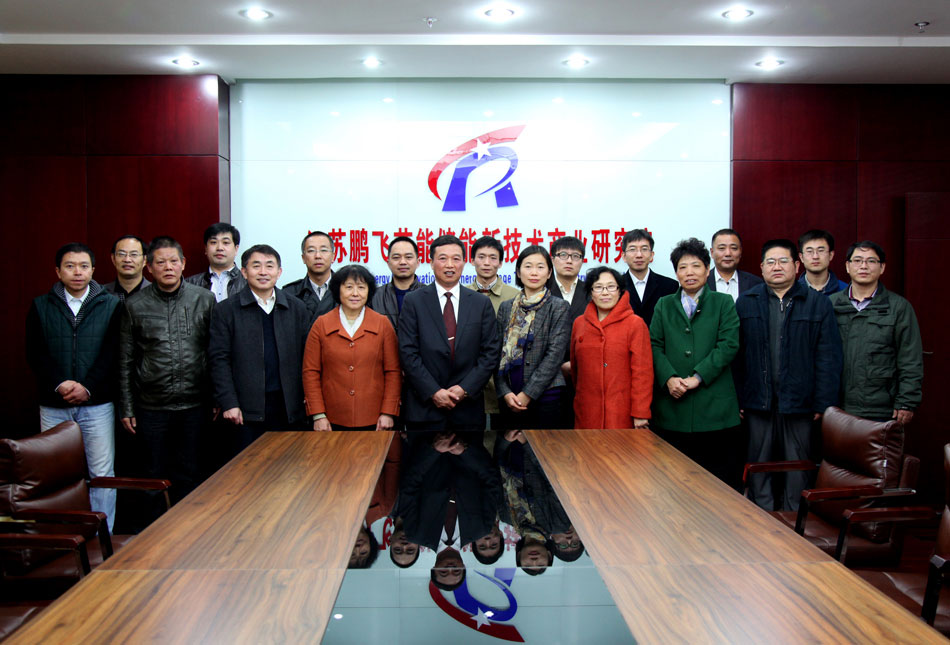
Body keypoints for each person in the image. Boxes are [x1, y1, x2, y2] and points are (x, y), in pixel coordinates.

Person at [735, 239, 843, 511]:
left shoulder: (818, 304)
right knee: (758, 465)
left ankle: (795, 522)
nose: (777, 267)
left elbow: (828, 357)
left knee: (798, 468)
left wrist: (823, 403)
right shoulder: (746, 302)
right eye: (770, 262)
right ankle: (760, 518)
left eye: (783, 261)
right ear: (761, 268)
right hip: (757, 402)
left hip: (800, 403)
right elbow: (736, 356)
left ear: (796, 266)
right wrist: (738, 398)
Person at [26, 243, 122, 531]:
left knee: (102, 473)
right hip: (54, 404)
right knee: (53, 472)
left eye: (83, 266)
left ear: (93, 270)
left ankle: (102, 536)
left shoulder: (112, 304)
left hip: (97, 403)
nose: (77, 272)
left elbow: (113, 353)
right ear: (58, 271)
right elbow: (35, 353)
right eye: (70, 266)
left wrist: (87, 387)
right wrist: (61, 383)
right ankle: (60, 536)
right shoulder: (40, 305)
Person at [118, 236, 215, 505]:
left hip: (195, 404)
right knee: (152, 475)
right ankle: (155, 528)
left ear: (183, 263)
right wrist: (127, 407)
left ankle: (190, 527)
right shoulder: (134, 305)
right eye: (161, 262)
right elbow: (125, 360)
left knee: (191, 473)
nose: (168, 267)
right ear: (149, 267)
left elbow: (215, 353)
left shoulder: (204, 299)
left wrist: (216, 397)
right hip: (152, 407)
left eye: (173, 261)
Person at [650, 238, 742, 486]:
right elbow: (653, 345)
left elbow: (728, 345)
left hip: (715, 411)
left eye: (696, 266)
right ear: (676, 273)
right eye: (682, 267)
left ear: (707, 270)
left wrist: (697, 377)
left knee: (717, 483)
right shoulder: (664, 305)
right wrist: (669, 378)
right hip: (672, 408)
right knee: (672, 483)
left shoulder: (724, 303)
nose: (689, 272)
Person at [209, 245, 311, 454]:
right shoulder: (226, 310)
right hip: (245, 409)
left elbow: (308, 358)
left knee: (290, 466)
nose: (263, 272)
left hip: (288, 407)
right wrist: (229, 402)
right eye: (256, 266)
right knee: (249, 467)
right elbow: (219, 360)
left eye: (269, 266)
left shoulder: (296, 308)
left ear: (279, 272)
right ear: (244, 272)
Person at [397, 235, 501, 432]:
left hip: (467, 409)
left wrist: (464, 389)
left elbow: (490, 353)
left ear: (464, 263)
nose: (450, 265)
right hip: (424, 409)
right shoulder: (414, 301)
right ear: (431, 263)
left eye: (456, 258)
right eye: (443, 258)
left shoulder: (480, 303)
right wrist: (434, 392)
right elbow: (408, 353)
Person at [831, 241, 923, 424]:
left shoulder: (898, 307)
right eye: (857, 260)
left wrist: (906, 402)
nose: (864, 266)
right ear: (847, 266)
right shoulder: (830, 304)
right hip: (837, 405)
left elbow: (910, 359)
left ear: (882, 268)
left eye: (871, 261)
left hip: (882, 408)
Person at [302, 264, 401, 431]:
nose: (355, 293)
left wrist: (388, 412)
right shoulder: (321, 324)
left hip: (375, 418)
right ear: (337, 290)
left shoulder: (382, 324)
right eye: (348, 287)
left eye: (361, 287)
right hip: (331, 419)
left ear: (369, 291)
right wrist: (318, 414)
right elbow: (310, 372)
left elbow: (393, 371)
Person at [495, 246, 571, 430]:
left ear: (549, 273)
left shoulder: (559, 307)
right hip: (510, 396)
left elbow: (555, 355)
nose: (534, 272)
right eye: (528, 266)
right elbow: (496, 354)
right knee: (510, 446)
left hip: (547, 396)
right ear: (518, 272)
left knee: (544, 447)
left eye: (540, 267)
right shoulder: (506, 307)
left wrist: (528, 394)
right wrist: (504, 392)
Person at [571, 266, 653, 429]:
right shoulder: (579, 323)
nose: (605, 293)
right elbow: (575, 371)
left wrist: (641, 412)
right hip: (586, 411)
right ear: (591, 292)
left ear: (620, 291)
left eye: (611, 287)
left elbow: (643, 373)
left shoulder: (635, 324)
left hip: (621, 412)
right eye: (598, 287)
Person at [467, 236, 520, 424]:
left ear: (501, 263)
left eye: (493, 257)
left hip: (505, 381)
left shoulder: (515, 296)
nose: (487, 263)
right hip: (469, 380)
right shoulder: (461, 294)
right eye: (481, 257)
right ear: (472, 260)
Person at [619, 229, 678, 326]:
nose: (639, 255)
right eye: (632, 249)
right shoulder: (616, 286)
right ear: (624, 256)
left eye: (644, 249)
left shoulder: (670, 286)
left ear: (651, 255)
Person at [370, 236, 422, 332]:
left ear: (418, 262)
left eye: (408, 257)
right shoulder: (374, 296)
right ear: (388, 263)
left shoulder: (430, 295)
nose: (402, 262)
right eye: (396, 257)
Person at [284, 231, 336, 324]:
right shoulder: (289, 293)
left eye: (324, 250)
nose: (318, 256)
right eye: (311, 251)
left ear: (333, 256)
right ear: (303, 258)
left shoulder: (347, 290)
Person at [185, 222, 246, 301]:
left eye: (226, 243)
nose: (219, 248)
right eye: (213, 242)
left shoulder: (248, 282)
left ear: (236, 249)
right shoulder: (190, 284)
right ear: (206, 249)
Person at [706, 228, 763, 302]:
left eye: (734, 248)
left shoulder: (756, 283)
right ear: (712, 252)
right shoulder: (702, 282)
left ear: (740, 252)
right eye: (722, 248)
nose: (728, 253)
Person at [547, 236, 588, 323]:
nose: (569, 261)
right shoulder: (543, 291)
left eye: (575, 256)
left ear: (582, 261)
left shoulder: (590, 292)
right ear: (552, 260)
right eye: (563, 255)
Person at [798, 229, 847, 296]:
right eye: (809, 251)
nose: (815, 256)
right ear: (801, 257)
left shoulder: (845, 291)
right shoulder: (792, 292)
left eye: (821, 250)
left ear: (831, 255)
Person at [104, 235, 150, 303]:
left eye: (134, 254)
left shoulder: (157, 294)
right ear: (113, 259)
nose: (127, 260)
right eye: (121, 254)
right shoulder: (101, 294)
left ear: (145, 260)